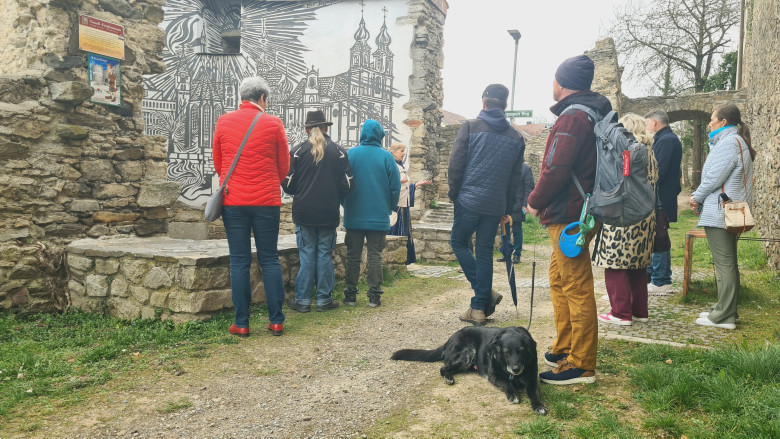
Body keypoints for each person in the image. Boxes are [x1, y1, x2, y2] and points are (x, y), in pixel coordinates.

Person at [525, 55, 611, 385]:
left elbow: (556, 170)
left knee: (575, 286)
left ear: (561, 83)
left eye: (554, 79)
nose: (552, 84)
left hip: (570, 216)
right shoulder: (588, 114)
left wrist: (534, 202)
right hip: (577, 212)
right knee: (559, 278)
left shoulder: (573, 118)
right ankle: (565, 347)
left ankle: (581, 363)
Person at [212, 77, 290, 337]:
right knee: (269, 259)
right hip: (267, 202)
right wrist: (267, 182)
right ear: (263, 98)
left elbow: (219, 162)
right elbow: (284, 166)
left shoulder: (223, 121)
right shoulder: (273, 123)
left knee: (239, 261)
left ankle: (242, 323)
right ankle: (276, 320)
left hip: (234, 202)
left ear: (242, 97)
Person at [448, 84, 525, 326]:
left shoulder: (470, 127)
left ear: (483, 103)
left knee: (458, 242)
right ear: (505, 106)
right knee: (484, 252)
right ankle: (478, 308)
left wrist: (454, 193)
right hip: (495, 205)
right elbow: (515, 178)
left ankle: (485, 294)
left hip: (468, 200)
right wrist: (508, 208)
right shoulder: (516, 137)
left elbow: (456, 164)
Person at [690, 104, 755, 330]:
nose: (709, 123)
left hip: (721, 211)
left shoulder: (728, 143)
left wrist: (696, 197)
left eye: (712, 119)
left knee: (725, 264)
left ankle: (724, 316)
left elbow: (713, 179)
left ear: (723, 121)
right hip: (728, 211)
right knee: (727, 263)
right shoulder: (734, 141)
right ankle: (725, 310)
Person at [282, 110, 353, 313]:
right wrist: (335, 196)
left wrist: (301, 191)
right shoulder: (339, 152)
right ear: (326, 128)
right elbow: (348, 185)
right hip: (328, 212)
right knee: (324, 255)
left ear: (306, 129)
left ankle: (303, 301)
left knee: (306, 255)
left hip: (303, 212)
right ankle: (323, 300)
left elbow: (287, 184)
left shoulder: (296, 152)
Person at [594, 113, 659, 326]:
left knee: (615, 264)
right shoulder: (649, 152)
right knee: (637, 265)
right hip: (646, 214)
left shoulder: (627, 154)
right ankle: (640, 310)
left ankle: (620, 313)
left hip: (625, 213)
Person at [342, 120, 401, 308]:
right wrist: (390, 207)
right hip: (378, 214)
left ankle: (350, 295)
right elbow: (395, 186)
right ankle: (374, 296)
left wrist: (346, 204)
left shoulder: (351, 154)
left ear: (362, 134)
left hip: (354, 213)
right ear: (380, 136)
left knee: (353, 255)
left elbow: (342, 183)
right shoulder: (386, 157)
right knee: (375, 254)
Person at [644, 109, 682, 295]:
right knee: (659, 237)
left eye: (647, 123)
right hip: (662, 197)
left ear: (654, 122)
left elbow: (658, 171)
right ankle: (661, 278)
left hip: (660, 198)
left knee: (658, 238)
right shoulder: (667, 139)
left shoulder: (666, 140)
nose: (646, 127)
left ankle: (660, 281)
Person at [388, 142, 430, 265]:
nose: (404, 153)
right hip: (396, 205)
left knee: (406, 231)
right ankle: (395, 259)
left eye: (404, 150)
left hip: (403, 204)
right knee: (396, 229)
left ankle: (405, 259)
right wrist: (398, 181)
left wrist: (416, 185)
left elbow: (404, 186)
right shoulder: (391, 166)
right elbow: (387, 183)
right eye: (401, 151)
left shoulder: (400, 165)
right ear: (393, 152)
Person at [497, 163, 535, 264]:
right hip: (505, 205)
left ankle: (517, 254)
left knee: (517, 229)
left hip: (518, 206)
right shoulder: (506, 166)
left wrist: (525, 204)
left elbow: (529, 188)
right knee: (504, 230)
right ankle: (506, 253)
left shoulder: (526, 169)